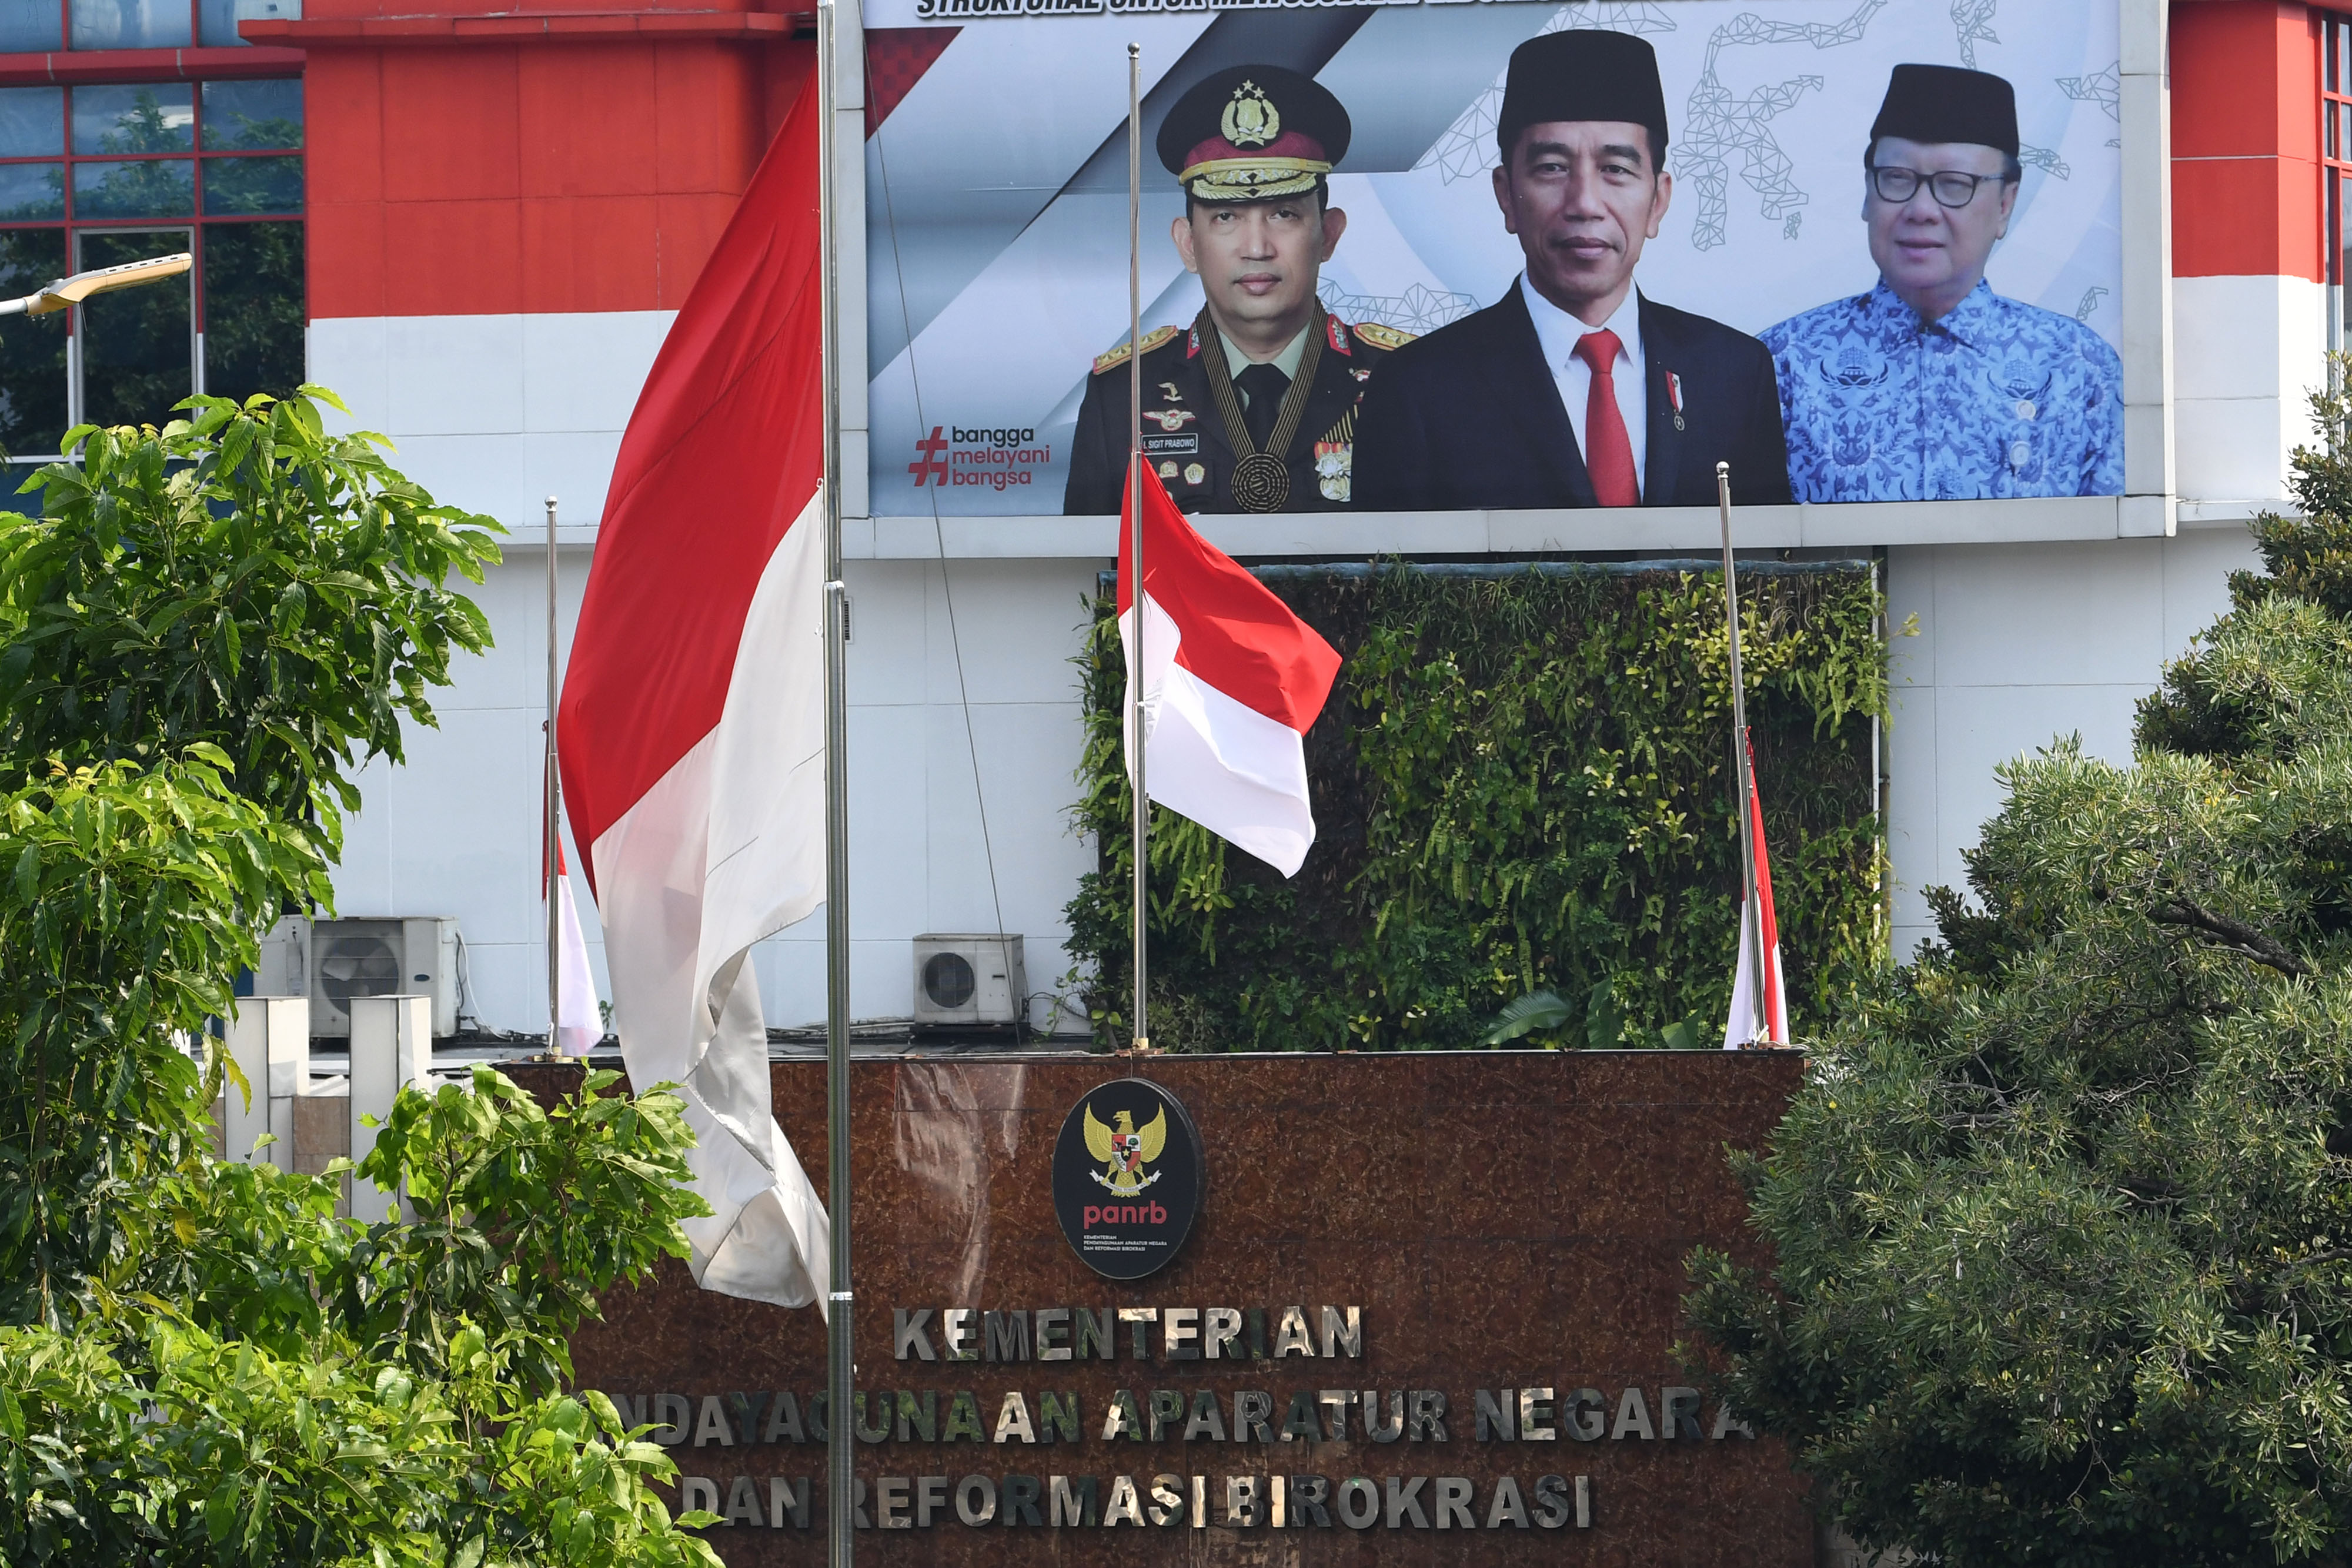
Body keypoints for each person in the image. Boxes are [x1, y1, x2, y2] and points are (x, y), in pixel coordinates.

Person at [1351, 29, 1790, 513]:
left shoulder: (1733, 374)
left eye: (1616, 170)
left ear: (1658, 200)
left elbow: (1770, 575)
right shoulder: (1418, 390)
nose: (1585, 203)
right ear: (1506, 195)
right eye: (1553, 168)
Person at [1760, 64, 2124, 501]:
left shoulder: (2079, 368)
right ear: (1867, 192)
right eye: (1897, 179)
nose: (1921, 210)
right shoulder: (1781, 365)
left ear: (2005, 204)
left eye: (1955, 185)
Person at [1064, 65, 1411, 516]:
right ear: (1188, 245)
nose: (1256, 248)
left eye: (1284, 214)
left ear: (1328, 234)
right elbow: (1095, 580)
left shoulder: (1404, 382)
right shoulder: (1123, 396)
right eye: (1226, 217)